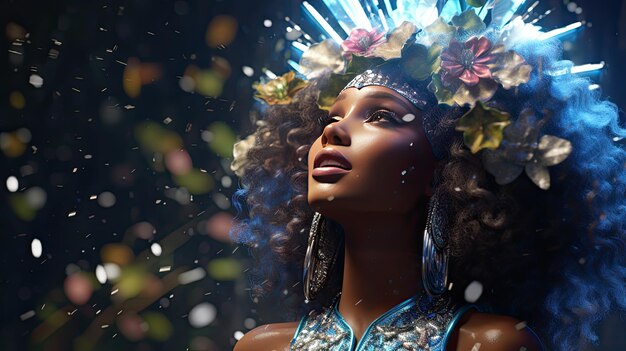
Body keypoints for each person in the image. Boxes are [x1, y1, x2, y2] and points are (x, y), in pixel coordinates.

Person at [230, 4, 626, 351]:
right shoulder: (261, 347)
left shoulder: (489, 345)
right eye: (333, 117)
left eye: (381, 116)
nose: (332, 132)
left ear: (447, 171)